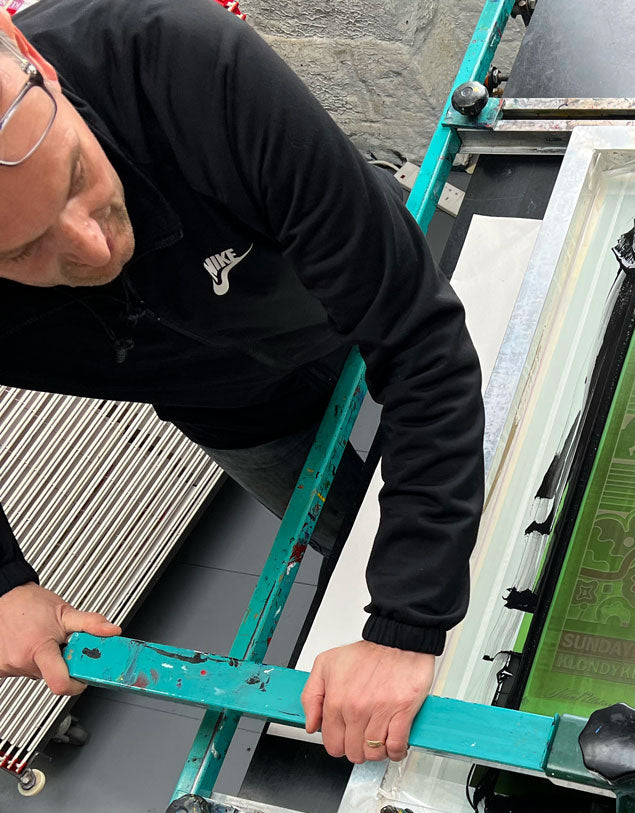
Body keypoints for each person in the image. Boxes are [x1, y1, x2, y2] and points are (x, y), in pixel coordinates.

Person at [0, 0, 485, 765]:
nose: (91, 247)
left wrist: (405, 622)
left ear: (37, 63)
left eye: (75, 176)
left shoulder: (181, 58)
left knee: (501, 478)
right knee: (350, 533)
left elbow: (418, 338)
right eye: (24, 252)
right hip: (242, 414)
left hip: (354, 299)